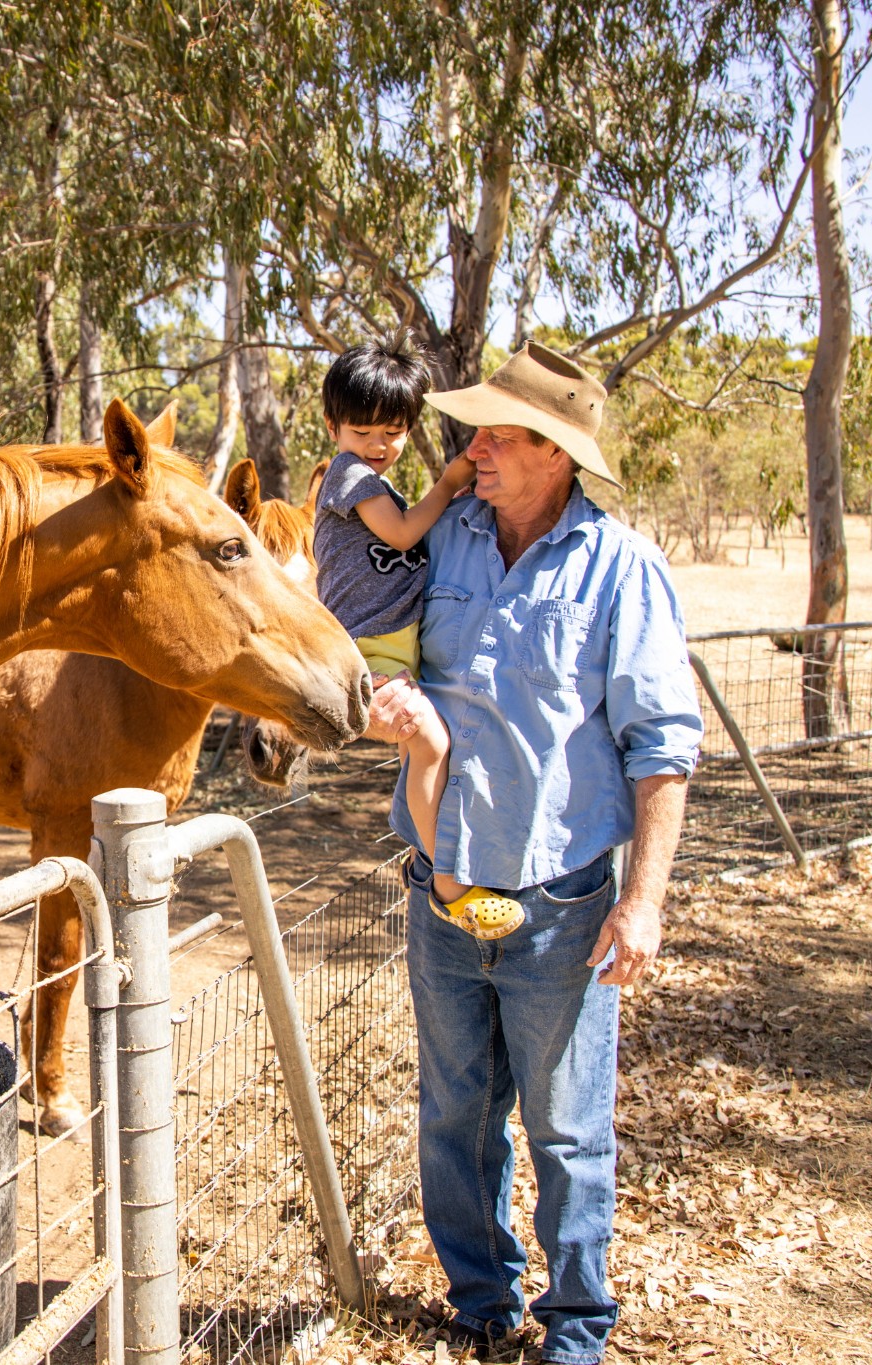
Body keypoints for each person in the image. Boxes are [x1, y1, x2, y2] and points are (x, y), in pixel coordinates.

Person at [360, 341, 703, 1364]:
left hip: (558, 908)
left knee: (563, 1130)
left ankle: (576, 1328)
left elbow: (660, 752)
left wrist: (640, 902)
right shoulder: (443, 542)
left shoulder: (621, 569)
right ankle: (479, 1300)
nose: (476, 450)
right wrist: (378, 696)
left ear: (555, 453)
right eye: (474, 432)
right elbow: (363, 619)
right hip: (439, 892)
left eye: (500, 436)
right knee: (455, 1114)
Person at [309, 337, 525, 938]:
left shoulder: (368, 475)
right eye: (363, 431)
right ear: (334, 428)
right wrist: (453, 478)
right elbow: (403, 536)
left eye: (393, 432)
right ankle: (450, 887)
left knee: (423, 750)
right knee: (429, 745)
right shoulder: (349, 476)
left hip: (391, 647)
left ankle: (425, 852)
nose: (378, 446)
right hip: (368, 647)